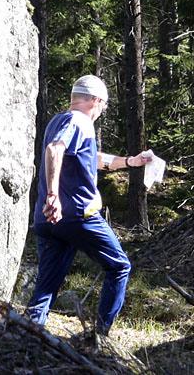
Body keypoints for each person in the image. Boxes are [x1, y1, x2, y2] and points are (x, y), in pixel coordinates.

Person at [25, 75, 152, 335]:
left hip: (48, 220)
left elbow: (92, 159)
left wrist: (131, 162)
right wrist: (53, 195)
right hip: (78, 216)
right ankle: (100, 336)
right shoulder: (79, 120)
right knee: (119, 266)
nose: (103, 111)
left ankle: (26, 338)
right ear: (95, 100)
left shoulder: (57, 121)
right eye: (103, 105)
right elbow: (54, 150)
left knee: (46, 286)